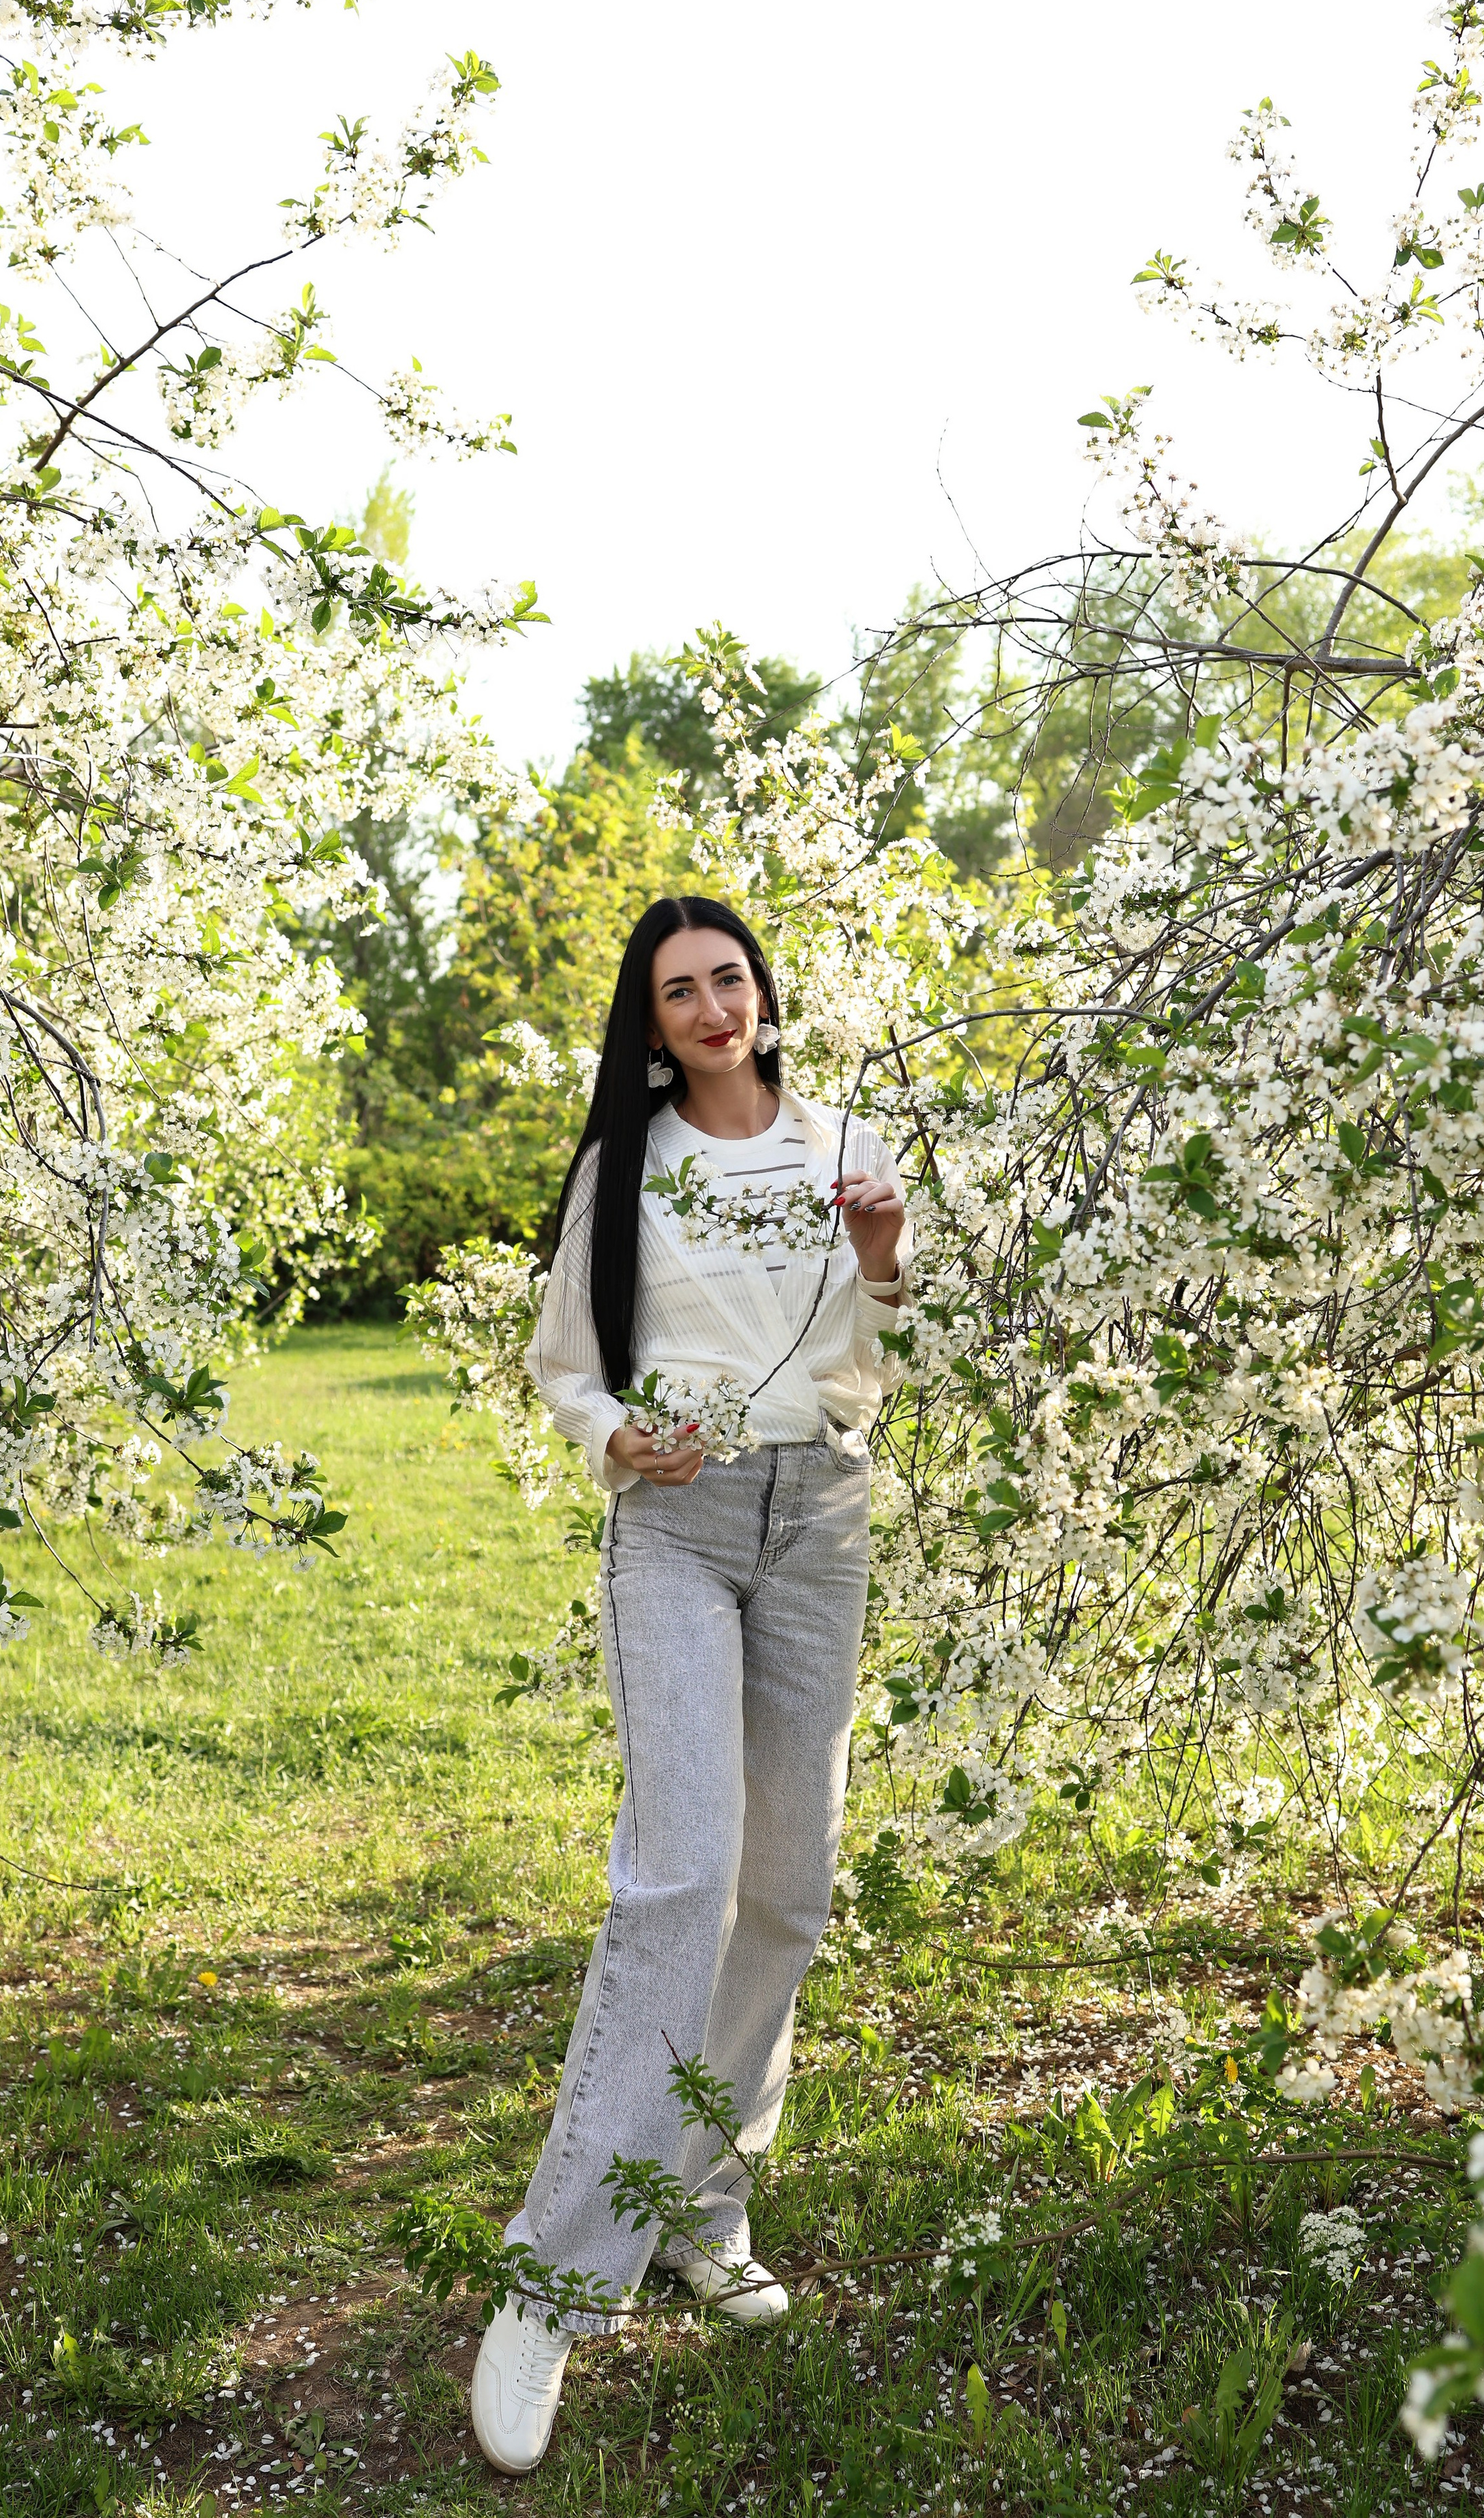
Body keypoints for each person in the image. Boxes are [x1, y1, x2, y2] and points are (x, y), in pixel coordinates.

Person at [469, 894, 909, 2474]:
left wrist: (883, 1259)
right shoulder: (625, 1169)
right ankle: (549, 2280)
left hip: (823, 1520)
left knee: (786, 1889)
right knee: (682, 1876)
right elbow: (565, 1368)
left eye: (730, 979)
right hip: (675, 1520)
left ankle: (702, 2209)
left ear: (766, 997)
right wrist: (613, 1441)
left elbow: (877, 1349)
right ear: (649, 1026)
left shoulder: (849, 1144)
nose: (713, 1007)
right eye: (680, 992)